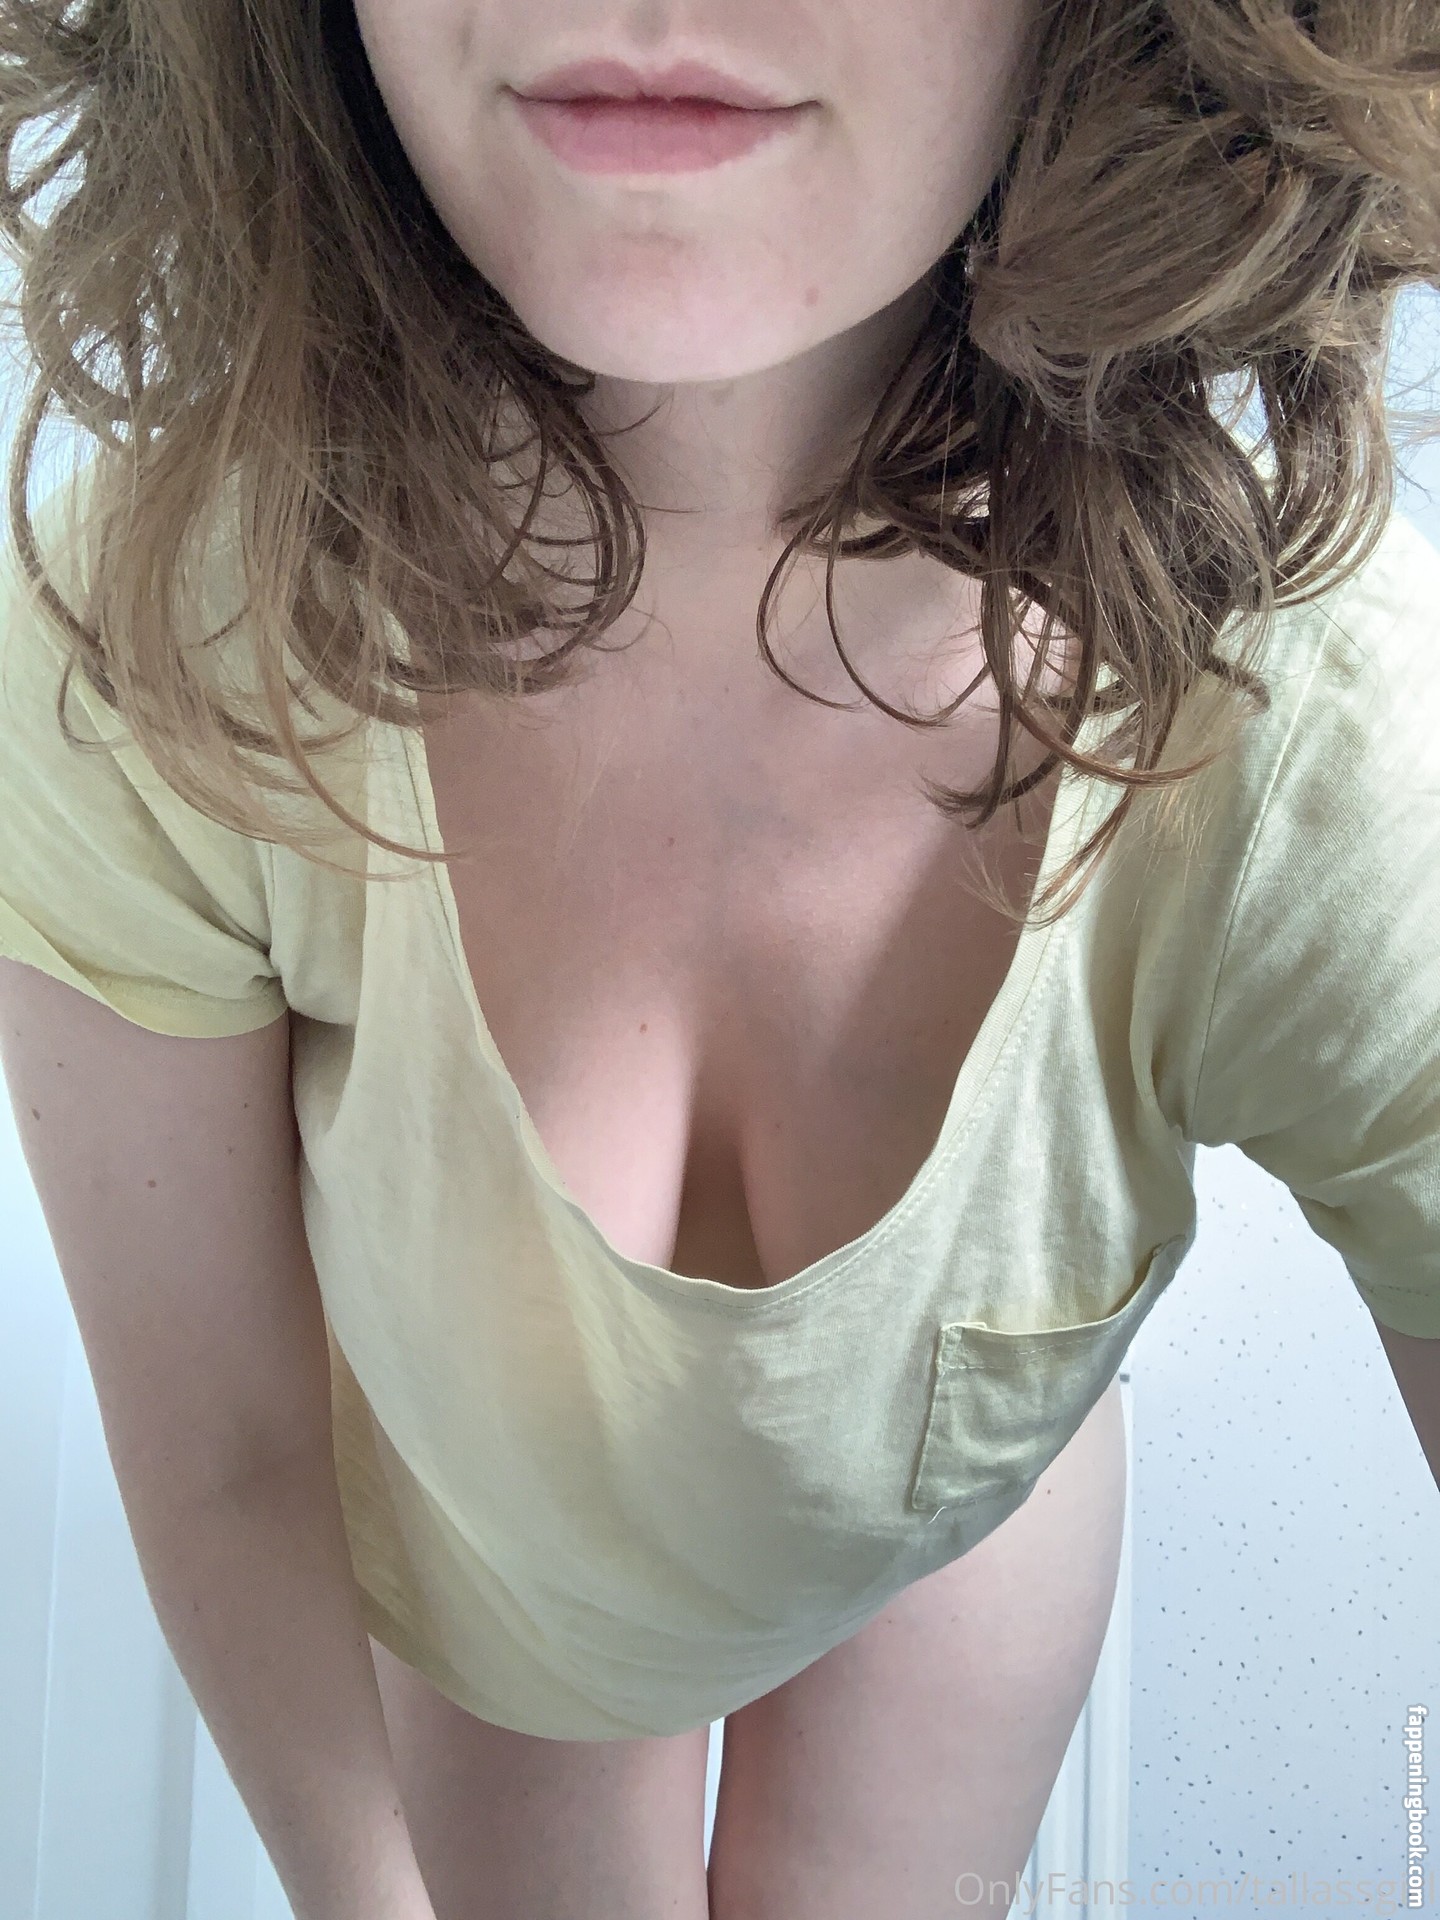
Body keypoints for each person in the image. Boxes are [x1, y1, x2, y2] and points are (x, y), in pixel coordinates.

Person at [0, 3, 1437, 1918]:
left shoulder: (1313, 736)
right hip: (499, 1591)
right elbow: (225, 1444)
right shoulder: (156, 646)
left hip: (942, 1543)